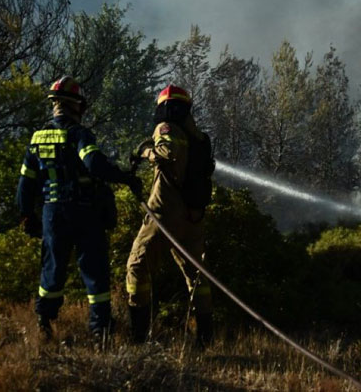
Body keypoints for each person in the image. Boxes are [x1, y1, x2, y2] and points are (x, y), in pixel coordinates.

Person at [17, 76, 142, 342]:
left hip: (52, 214)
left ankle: (44, 323)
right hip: (84, 212)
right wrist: (126, 178)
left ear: (54, 105)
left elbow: (25, 183)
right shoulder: (79, 134)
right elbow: (96, 165)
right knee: (95, 271)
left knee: (53, 268)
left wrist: (27, 214)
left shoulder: (37, 139)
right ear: (76, 106)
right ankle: (100, 331)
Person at [125, 84, 215, 346]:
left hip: (165, 214)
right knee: (196, 274)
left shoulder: (167, 128)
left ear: (163, 106)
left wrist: (145, 152)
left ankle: (138, 337)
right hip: (194, 217)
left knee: (137, 266)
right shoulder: (197, 135)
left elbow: (166, 153)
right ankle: (205, 340)